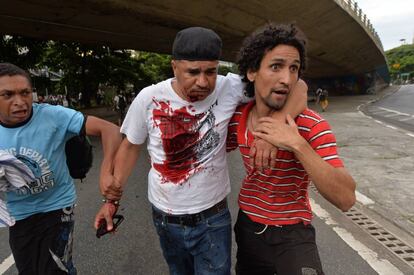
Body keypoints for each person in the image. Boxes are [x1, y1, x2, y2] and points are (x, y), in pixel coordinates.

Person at [95, 26, 307, 275]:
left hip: (212, 220)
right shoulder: (149, 98)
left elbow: (299, 87)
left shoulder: (230, 87)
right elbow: (130, 147)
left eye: (211, 72)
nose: (203, 82)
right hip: (165, 219)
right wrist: (111, 201)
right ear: (175, 67)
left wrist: (275, 131)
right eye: (193, 72)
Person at [226, 24, 357, 275]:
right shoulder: (234, 120)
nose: (286, 79)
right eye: (276, 67)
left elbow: (346, 199)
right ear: (252, 71)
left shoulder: (310, 126)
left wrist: (296, 143)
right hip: (247, 227)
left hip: (294, 233)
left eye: (293, 69)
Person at [0, 63, 122, 275]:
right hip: (17, 213)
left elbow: (110, 130)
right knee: (28, 270)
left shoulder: (53, 116)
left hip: (57, 206)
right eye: (7, 95)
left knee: (56, 269)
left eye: (25, 93)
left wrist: (106, 172)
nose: (19, 102)